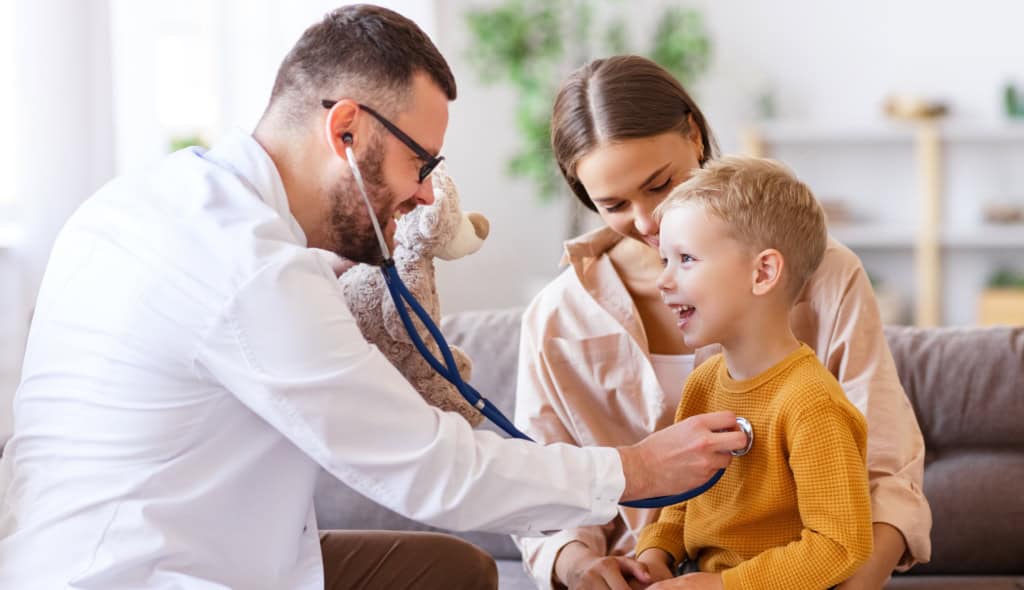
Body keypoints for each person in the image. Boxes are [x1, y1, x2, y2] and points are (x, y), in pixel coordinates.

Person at [0, 8, 748, 590]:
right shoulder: (250, 271)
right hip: (149, 573)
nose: (425, 193)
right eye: (419, 162)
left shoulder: (147, 203)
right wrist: (637, 470)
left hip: (97, 554)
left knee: (452, 572)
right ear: (346, 128)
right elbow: (432, 470)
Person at [513, 55, 931, 590]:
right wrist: (586, 566)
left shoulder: (825, 278)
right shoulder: (557, 318)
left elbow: (884, 470)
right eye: (613, 203)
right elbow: (545, 491)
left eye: (660, 184)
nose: (648, 222)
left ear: (693, 133)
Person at [633, 155, 873, 590]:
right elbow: (683, 502)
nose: (663, 282)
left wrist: (721, 587)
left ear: (763, 272)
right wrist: (655, 555)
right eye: (664, 260)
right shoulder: (704, 383)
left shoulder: (811, 402)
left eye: (685, 259)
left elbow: (841, 546)